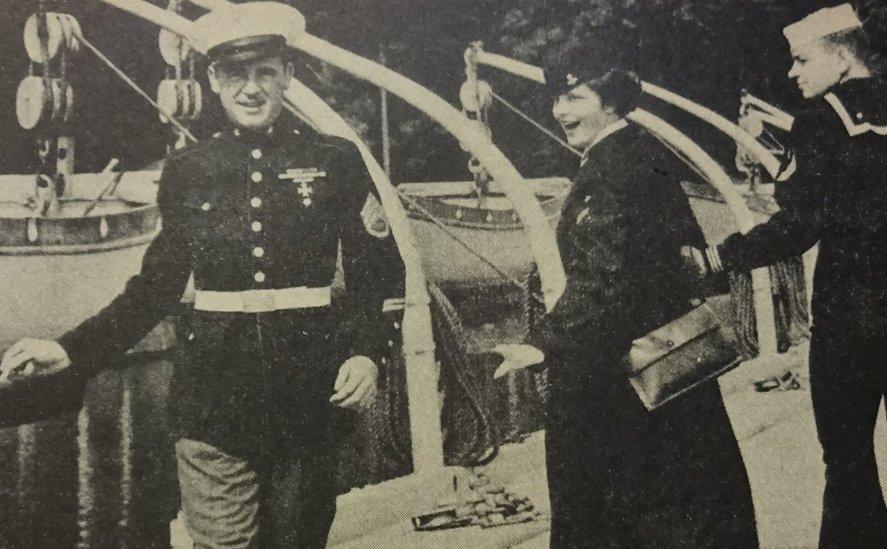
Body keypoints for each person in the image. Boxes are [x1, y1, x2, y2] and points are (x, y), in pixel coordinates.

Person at [0, 4, 402, 547]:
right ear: (213, 80)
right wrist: (71, 349)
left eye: (265, 72)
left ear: (287, 73)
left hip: (310, 398)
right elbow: (154, 288)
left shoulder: (335, 160)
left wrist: (365, 353)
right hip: (213, 404)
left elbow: (378, 273)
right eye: (236, 74)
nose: (251, 89)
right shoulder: (190, 171)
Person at [713, 4, 887, 548]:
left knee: (849, 464)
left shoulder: (820, 121)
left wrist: (724, 255)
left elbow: (800, 226)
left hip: (849, 324)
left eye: (802, 59)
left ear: (840, 57)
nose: (793, 73)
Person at [495, 51, 758, 548]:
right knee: (687, 505)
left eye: (575, 97)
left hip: (619, 376)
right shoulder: (644, 153)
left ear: (612, 104)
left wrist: (542, 343)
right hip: (665, 365)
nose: (559, 110)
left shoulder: (612, 170)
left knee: (619, 514)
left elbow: (604, 277)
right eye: (556, 97)